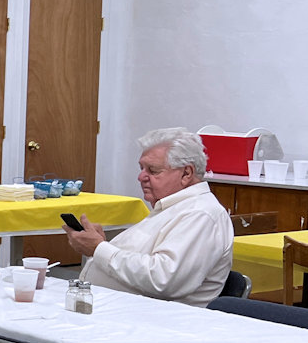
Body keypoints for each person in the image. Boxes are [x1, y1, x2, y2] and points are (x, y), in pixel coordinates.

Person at [63, 127, 233, 307]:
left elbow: (163, 280)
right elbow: (143, 257)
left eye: (153, 170)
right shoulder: (172, 206)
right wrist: (101, 244)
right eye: (141, 168)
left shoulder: (201, 214)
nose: (141, 177)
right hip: (118, 307)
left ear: (186, 173)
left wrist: (99, 248)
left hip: (156, 318)